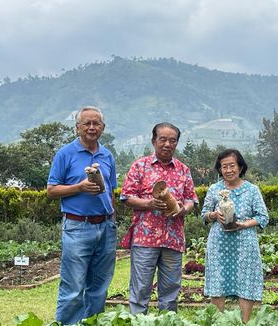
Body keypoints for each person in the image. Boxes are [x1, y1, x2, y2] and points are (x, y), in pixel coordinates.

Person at [47, 106, 117, 324]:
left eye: (96, 123)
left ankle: (92, 323)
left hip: (105, 227)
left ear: (103, 128)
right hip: (78, 227)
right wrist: (79, 187)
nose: (92, 127)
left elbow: (112, 191)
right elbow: (51, 190)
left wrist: (113, 220)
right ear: (78, 128)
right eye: (87, 123)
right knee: (73, 287)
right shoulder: (65, 153)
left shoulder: (107, 155)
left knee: (99, 287)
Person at [120, 122, 198, 314]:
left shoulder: (183, 169)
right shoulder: (140, 166)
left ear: (177, 143)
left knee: (171, 291)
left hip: (173, 238)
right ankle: (138, 321)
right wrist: (149, 204)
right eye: (162, 139)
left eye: (172, 140)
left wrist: (184, 209)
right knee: (140, 289)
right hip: (145, 239)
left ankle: (167, 320)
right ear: (154, 141)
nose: (167, 144)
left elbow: (191, 199)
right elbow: (126, 196)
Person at [201, 148, 269, 323]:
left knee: (245, 281)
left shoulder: (252, 190)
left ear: (240, 167)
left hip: (245, 242)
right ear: (220, 169)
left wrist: (245, 224)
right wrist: (214, 215)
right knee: (218, 282)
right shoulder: (214, 189)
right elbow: (204, 215)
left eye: (232, 165)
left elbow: (263, 217)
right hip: (219, 244)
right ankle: (219, 321)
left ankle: (244, 322)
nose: (228, 170)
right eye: (224, 167)